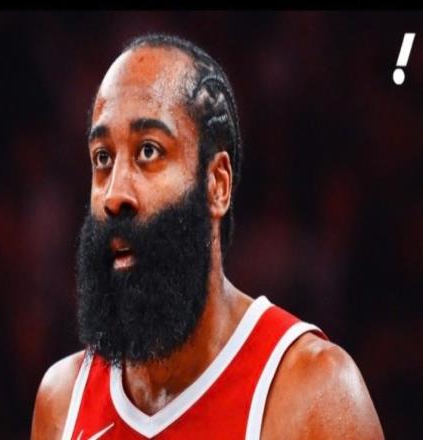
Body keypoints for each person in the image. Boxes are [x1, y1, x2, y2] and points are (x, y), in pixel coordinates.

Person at [31, 34, 384, 439]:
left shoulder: (312, 393)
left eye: (148, 151)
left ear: (217, 184)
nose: (115, 195)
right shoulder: (61, 401)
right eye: (103, 157)